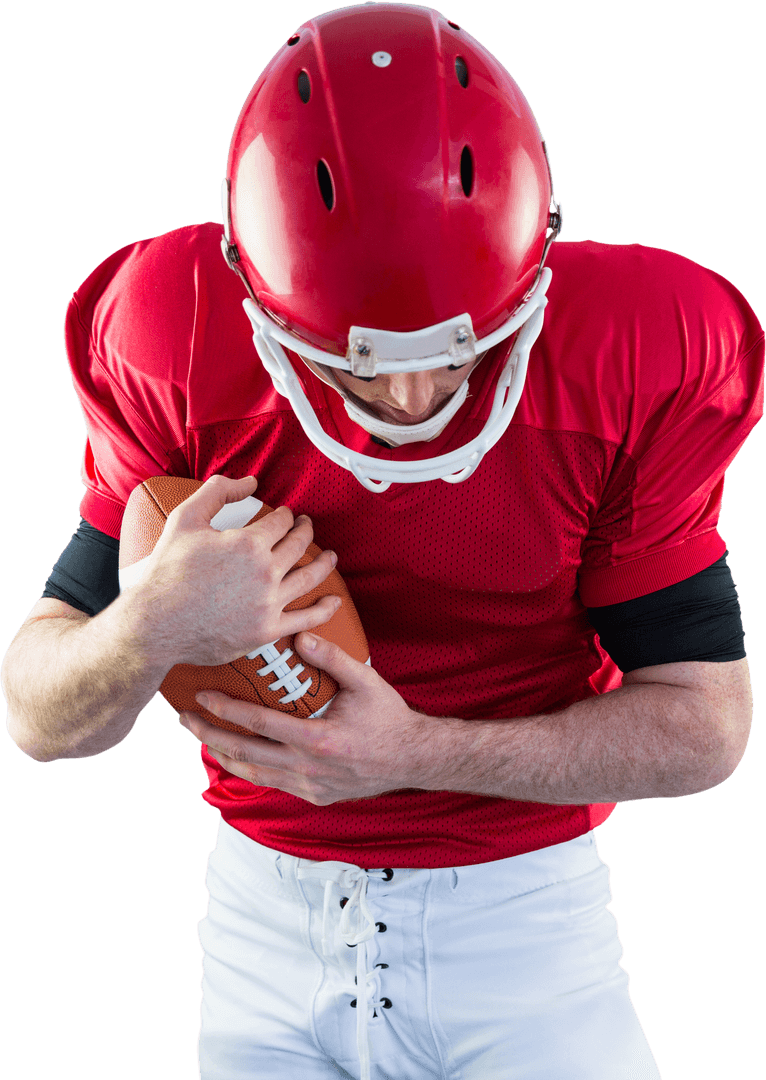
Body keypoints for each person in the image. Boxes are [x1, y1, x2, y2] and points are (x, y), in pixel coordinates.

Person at [2, 3, 763, 1078]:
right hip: (263, 933)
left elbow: (705, 727)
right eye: (356, 362)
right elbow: (38, 714)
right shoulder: (173, 331)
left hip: (524, 932)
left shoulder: (634, 351)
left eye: (452, 353)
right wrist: (152, 622)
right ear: (249, 290)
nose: (407, 398)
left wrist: (415, 754)